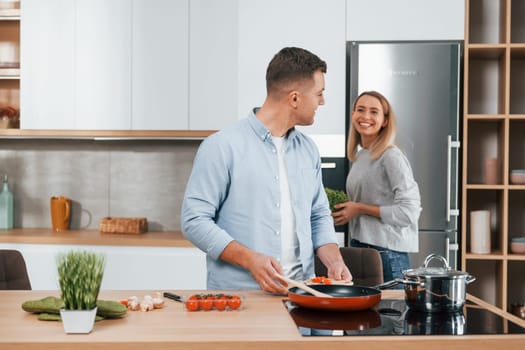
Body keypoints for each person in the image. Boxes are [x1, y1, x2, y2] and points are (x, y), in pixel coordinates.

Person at [181, 47, 352, 294]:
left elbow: (318, 214)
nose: (322, 102)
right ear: (294, 98)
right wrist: (250, 259)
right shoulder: (222, 146)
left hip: (306, 294)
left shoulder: (308, 149)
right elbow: (194, 220)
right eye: (319, 93)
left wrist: (334, 261)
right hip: (242, 297)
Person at [332, 91, 421, 286]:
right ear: (353, 114)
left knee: (392, 316)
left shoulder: (391, 156)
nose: (365, 117)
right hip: (362, 249)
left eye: (374, 112)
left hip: (387, 255)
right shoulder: (362, 155)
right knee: (367, 316)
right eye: (360, 110)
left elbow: (409, 212)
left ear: (385, 121)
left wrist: (359, 209)